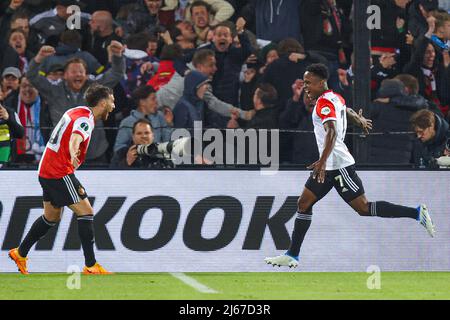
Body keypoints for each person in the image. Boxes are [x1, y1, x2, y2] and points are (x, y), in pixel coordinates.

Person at [264, 63, 436, 269]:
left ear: (321, 83)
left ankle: (417, 213)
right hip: (328, 166)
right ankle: (292, 254)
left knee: (363, 208)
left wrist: (321, 161)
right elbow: (346, 110)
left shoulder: (323, 104)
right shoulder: (334, 97)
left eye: (309, 83)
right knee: (303, 203)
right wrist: (359, 119)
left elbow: (332, 132)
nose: (306, 88)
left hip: (337, 165)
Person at [8, 84, 114, 275]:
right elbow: (75, 137)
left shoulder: (76, 110)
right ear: (103, 102)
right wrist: (74, 151)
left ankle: (20, 253)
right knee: (86, 212)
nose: (113, 106)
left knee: (51, 217)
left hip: (46, 169)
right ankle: (91, 266)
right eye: (112, 101)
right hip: (58, 171)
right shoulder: (86, 119)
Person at [114, 85, 172, 152]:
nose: (156, 102)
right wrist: (135, 151)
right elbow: (118, 147)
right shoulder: (127, 122)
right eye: (153, 99)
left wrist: (168, 124)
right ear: (142, 102)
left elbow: (167, 141)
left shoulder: (160, 116)